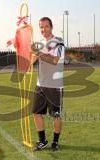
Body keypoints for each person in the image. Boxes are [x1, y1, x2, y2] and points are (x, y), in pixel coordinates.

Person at [31, 17, 65, 152]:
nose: (43, 29)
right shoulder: (38, 43)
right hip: (41, 84)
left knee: (55, 115)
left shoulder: (58, 41)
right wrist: (23, 48)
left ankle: (55, 142)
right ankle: (42, 140)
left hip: (55, 85)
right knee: (36, 113)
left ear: (51, 27)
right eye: (41, 27)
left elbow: (55, 60)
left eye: (46, 26)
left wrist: (38, 53)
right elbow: (32, 61)